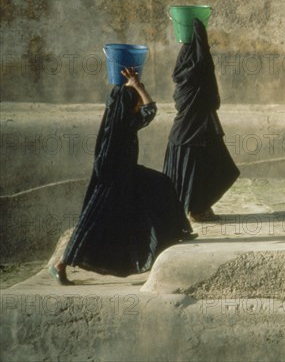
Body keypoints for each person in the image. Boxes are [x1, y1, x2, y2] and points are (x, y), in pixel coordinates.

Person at [49, 68, 194, 285]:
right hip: (112, 179)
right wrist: (136, 87)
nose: (138, 107)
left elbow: (147, 109)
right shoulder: (120, 124)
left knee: (161, 184)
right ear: (129, 106)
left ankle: (176, 231)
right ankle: (60, 265)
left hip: (125, 173)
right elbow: (150, 110)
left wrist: (137, 85)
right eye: (135, 104)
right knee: (93, 223)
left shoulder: (121, 115)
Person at [163, 19, 239, 222]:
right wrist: (201, 35)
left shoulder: (183, 76)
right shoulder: (199, 75)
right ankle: (197, 209)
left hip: (186, 134)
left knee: (202, 174)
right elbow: (213, 99)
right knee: (219, 171)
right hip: (195, 135)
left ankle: (197, 208)